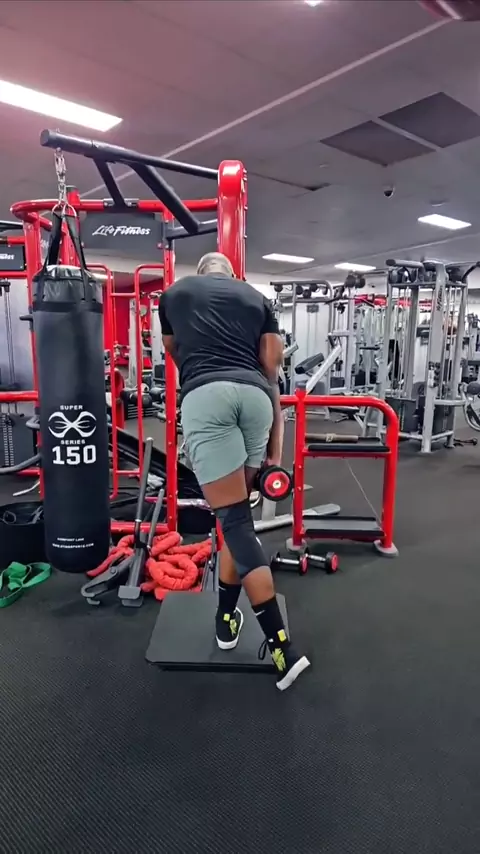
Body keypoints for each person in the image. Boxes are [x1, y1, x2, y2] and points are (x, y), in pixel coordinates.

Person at [158, 251, 310, 690]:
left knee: (236, 524)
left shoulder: (174, 294)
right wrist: (275, 454)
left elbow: (173, 350)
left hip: (207, 397)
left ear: (201, 272)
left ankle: (282, 648)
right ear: (231, 274)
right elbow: (272, 370)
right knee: (235, 520)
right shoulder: (256, 297)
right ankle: (226, 619)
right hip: (257, 399)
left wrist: (201, 376)